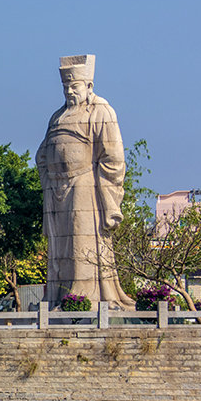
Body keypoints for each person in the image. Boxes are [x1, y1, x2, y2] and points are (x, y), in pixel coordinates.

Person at [35, 55, 134, 307]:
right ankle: (58, 297)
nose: (69, 91)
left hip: (85, 186)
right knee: (59, 249)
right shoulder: (57, 117)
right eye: (66, 87)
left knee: (82, 245)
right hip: (56, 189)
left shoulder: (102, 112)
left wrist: (104, 193)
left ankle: (84, 299)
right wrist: (49, 178)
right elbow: (43, 153)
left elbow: (114, 157)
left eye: (75, 86)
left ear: (88, 86)